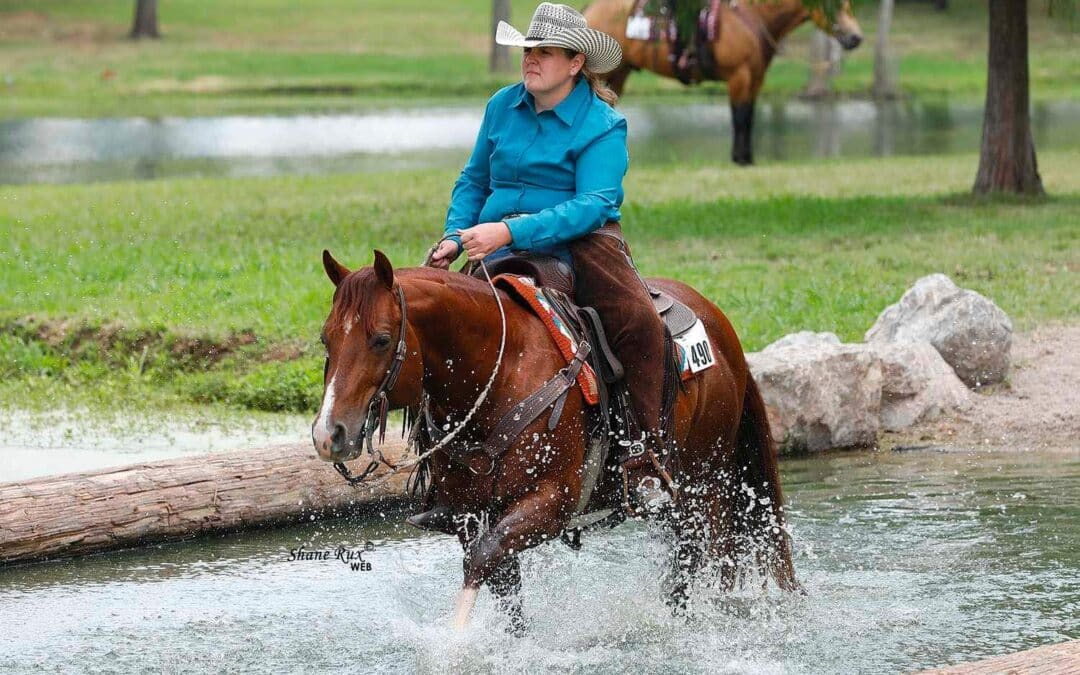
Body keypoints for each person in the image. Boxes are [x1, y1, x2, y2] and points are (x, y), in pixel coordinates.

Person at [413, 2, 671, 531]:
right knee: (438, 327)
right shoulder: (501, 106)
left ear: (576, 63)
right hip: (490, 241)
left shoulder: (603, 123)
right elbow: (473, 180)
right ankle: (444, 475)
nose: (531, 61)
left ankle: (642, 459)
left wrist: (509, 231)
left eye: (545, 53)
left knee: (641, 326)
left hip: (581, 243)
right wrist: (454, 235)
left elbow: (594, 203)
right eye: (528, 51)